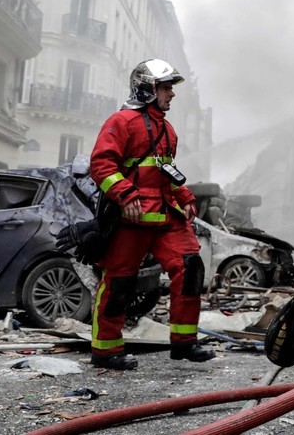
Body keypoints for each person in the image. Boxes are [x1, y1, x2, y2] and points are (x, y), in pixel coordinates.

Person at [87, 59, 212, 370]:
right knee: (119, 283)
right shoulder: (122, 122)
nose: (172, 93)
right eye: (166, 87)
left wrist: (184, 195)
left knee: (190, 267)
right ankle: (105, 350)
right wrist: (125, 195)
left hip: (165, 216)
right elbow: (101, 165)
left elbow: (163, 171)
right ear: (147, 89)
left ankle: (184, 343)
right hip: (131, 218)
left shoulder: (167, 130)